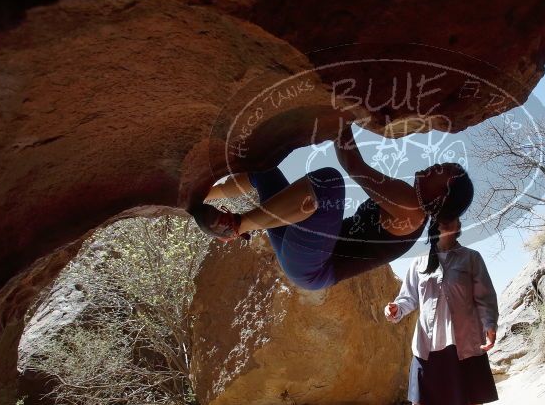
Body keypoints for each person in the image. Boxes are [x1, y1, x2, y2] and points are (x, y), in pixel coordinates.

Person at [187, 125, 474, 291]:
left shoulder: (411, 207)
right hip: (302, 244)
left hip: (314, 266)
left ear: (442, 196)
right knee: (265, 172)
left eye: (443, 170)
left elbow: (353, 165)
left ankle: (236, 225)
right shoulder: (408, 200)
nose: (437, 165)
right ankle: (204, 193)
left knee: (328, 183)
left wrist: (341, 116)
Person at [383, 210, 499, 405]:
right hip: (427, 349)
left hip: (466, 346)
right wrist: (396, 308)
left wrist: (489, 324)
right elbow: (408, 298)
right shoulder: (419, 263)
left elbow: (485, 297)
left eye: (456, 219)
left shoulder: (471, 259)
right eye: (447, 218)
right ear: (435, 225)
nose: (453, 223)